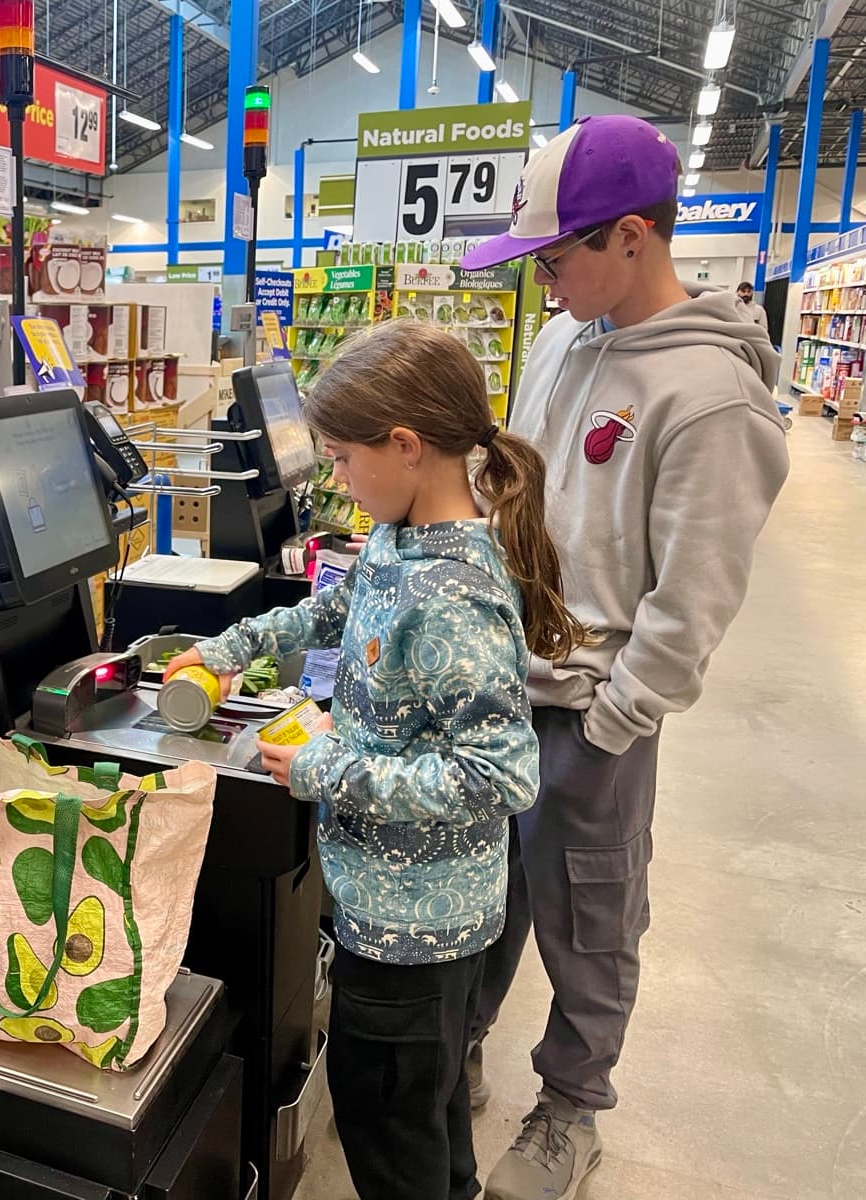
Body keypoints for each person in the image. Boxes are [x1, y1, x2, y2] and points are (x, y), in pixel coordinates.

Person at [165, 320, 585, 1200]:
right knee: (425, 1121)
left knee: (387, 1130)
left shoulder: (455, 594)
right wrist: (229, 648)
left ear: (404, 447)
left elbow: (501, 773)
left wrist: (329, 771)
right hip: (392, 905)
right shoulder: (404, 539)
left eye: (344, 460)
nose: (338, 480)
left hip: (415, 933)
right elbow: (337, 607)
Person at [457, 115, 790, 1200]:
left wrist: (614, 719)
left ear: (631, 239)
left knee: (588, 912)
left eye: (555, 259)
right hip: (505, 680)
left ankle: (568, 1107)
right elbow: (516, 478)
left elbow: (694, 598)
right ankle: (463, 1046)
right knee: (488, 889)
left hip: (591, 706)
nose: (543, 282)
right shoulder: (564, 337)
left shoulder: (710, 398)